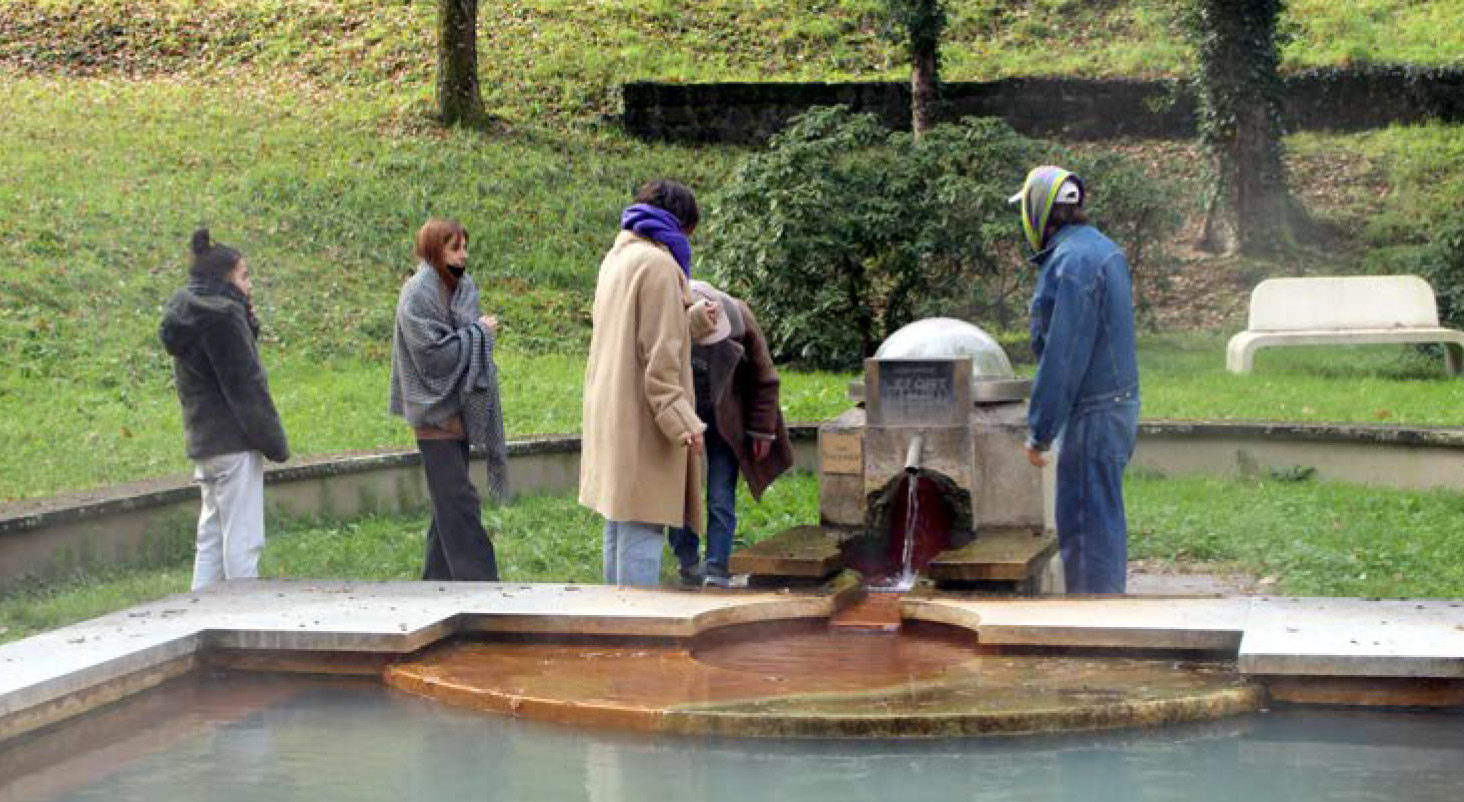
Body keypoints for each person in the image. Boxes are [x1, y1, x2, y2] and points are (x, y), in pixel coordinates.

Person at [579, 180, 718, 587]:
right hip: (644, 419)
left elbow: (631, 331)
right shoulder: (659, 267)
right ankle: (637, 636)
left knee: (619, 520)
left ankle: (612, 628)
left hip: (612, 409)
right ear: (682, 223)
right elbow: (659, 361)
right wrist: (684, 424)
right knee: (643, 524)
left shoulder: (617, 258)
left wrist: (690, 319)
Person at [1011, 166, 1140, 594]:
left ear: (1038, 210)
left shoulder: (1073, 263)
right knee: (1100, 524)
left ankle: (1094, 639)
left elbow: (1063, 356)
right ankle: (1104, 628)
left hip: (1092, 415)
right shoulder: (1099, 249)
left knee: (1086, 535)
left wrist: (1039, 431)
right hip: (1112, 407)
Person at [160, 228, 290, 590]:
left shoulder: (186, 311)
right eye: (244, 277)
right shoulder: (224, 317)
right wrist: (275, 443)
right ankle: (244, 621)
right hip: (234, 444)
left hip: (205, 441)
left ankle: (199, 616)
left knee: (212, 539)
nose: (249, 286)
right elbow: (246, 387)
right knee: (243, 542)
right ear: (224, 279)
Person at [389, 218, 507, 582]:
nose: (463, 256)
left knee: (446, 511)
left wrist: (473, 334)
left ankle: (434, 587)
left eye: (464, 247)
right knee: (460, 504)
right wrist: (480, 332)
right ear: (432, 251)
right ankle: (483, 589)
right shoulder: (416, 294)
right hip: (432, 413)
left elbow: (461, 343)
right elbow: (432, 356)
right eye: (454, 248)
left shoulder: (461, 286)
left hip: (460, 412)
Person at [668, 281, 793, 588]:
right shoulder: (670, 315)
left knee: (720, 494)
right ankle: (687, 562)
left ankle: (717, 567)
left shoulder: (742, 319)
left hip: (727, 417)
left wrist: (762, 431)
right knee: (680, 490)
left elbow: (765, 379)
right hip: (683, 414)